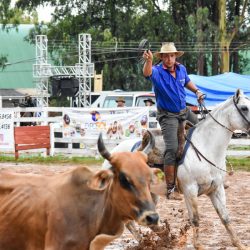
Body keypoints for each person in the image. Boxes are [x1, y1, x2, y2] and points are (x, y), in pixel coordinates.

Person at [143, 42, 205, 200]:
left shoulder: (181, 69)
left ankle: (207, 173)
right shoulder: (157, 71)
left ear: (175, 56)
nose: (169, 59)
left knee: (203, 131)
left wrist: (197, 91)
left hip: (184, 111)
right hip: (168, 116)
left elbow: (186, 81)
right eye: (166, 56)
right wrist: (148, 61)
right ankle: (170, 188)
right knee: (172, 148)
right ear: (162, 57)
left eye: (172, 55)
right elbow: (147, 72)